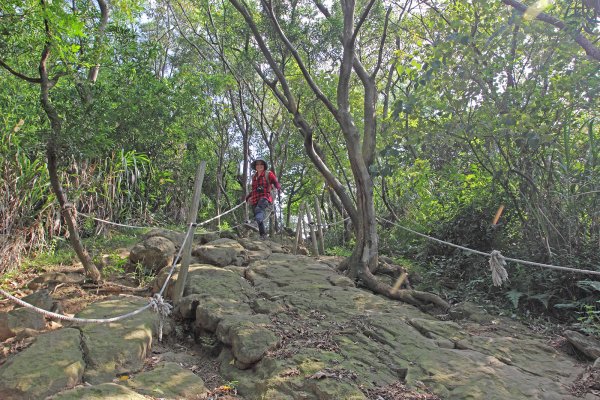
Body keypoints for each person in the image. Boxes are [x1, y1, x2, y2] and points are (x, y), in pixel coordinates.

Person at [245, 158, 281, 239]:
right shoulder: (254, 176)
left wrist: (278, 187)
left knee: (259, 210)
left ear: (264, 166)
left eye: (261, 164)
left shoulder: (268, 174)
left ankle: (254, 224)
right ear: (255, 166)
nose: (259, 166)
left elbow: (275, 182)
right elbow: (254, 189)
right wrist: (248, 197)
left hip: (265, 196)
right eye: (257, 164)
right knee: (258, 216)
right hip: (255, 198)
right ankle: (263, 235)